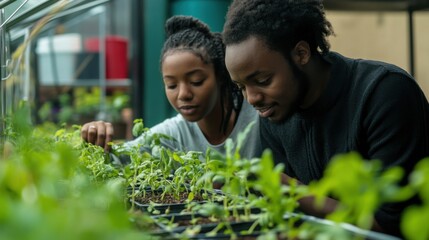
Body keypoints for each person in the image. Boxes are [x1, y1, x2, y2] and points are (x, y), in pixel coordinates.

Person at [222, 0, 429, 237]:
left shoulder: (385, 93)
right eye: (241, 87)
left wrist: (291, 191)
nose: (251, 98)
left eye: (262, 81)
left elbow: (394, 227)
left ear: (301, 53)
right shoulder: (274, 112)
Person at [81, 15, 262, 159]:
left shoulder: (260, 117)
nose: (183, 94)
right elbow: (120, 158)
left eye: (196, 81)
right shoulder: (172, 134)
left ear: (221, 76)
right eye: (172, 85)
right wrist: (97, 141)